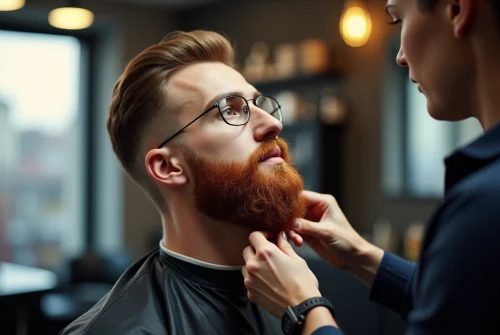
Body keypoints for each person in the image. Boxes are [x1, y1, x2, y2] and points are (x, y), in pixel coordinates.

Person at [242, 0, 500, 334]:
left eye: (397, 20)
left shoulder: (485, 204)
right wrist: (360, 255)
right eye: (232, 111)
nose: (400, 57)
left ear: (456, 9)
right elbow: (461, 308)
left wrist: (304, 307)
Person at [60, 30, 310, 335]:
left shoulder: (295, 291)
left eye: (258, 103)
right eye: (229, 110)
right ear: (167, 166)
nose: (274, 124)